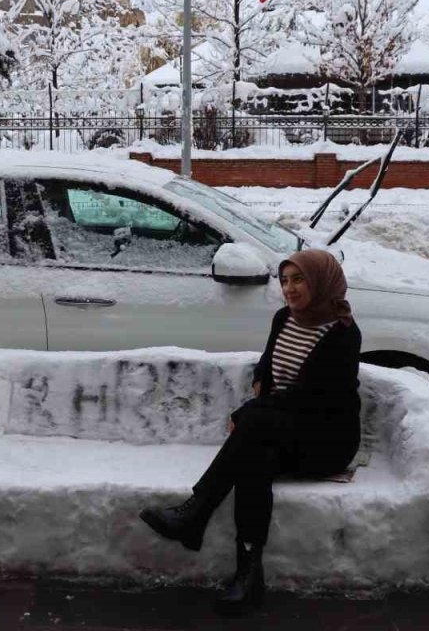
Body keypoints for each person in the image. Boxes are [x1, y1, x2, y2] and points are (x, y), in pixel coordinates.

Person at [139, 249, 362, 617]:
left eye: (299, 279)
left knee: (254, 427)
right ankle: (248, 574)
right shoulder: (284, 318)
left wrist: (250, 410)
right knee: (253, 459)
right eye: (285, 280)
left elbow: (311, 398)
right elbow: (269, 360)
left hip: (326, 438)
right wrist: (261, 380)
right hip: (282, 427)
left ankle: (195, 513)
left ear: (322, 282)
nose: (289, 289)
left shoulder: (342, 333)